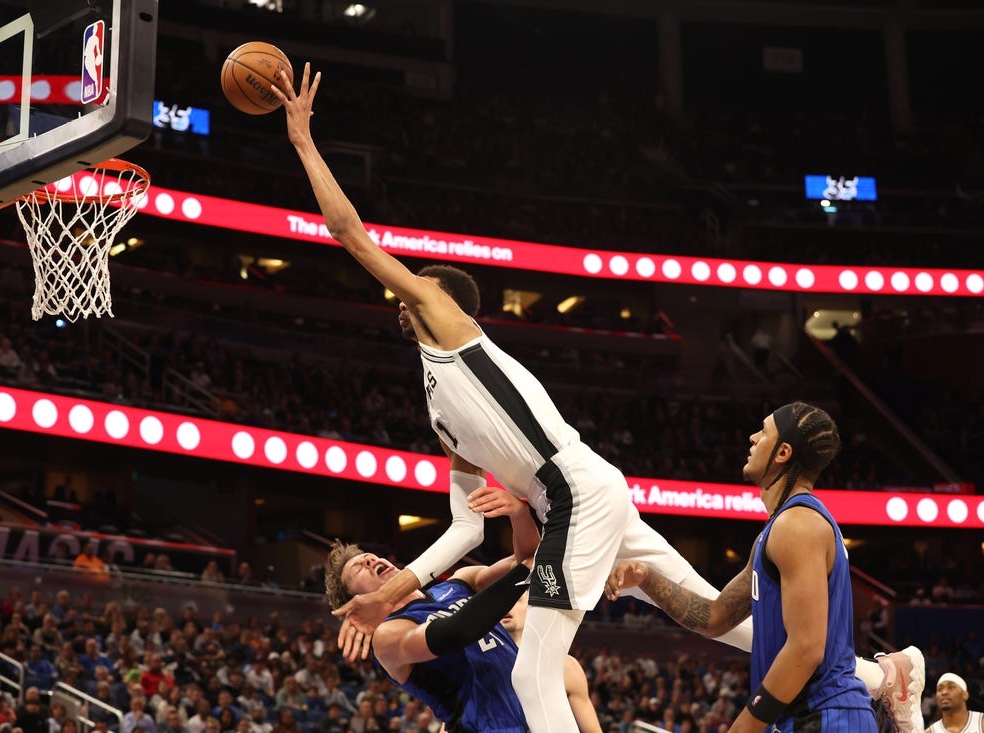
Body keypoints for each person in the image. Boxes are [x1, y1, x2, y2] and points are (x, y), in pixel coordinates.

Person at [273, 65, 925, 733]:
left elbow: (349, 233)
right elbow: (467, 528)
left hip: (574, 491)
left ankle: (881, 677)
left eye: (419, 282)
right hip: (578, 495)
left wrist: (301, 140)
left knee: (534, 669)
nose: (410, 286)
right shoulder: (442, 413)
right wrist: (390, 589)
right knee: (701, 608)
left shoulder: (447, 322)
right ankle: (884, 675)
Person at [606, 402, 879, 733]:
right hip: (808, 718)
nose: (752, 438)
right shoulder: (780, 527)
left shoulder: (797, 526)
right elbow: (715, 617)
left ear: (783, 452)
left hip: (826, 718)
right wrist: (647, 578)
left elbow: (806, 648)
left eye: (763, 432)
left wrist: (745, 726)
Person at [323, 481, 539, 733]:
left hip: (534, 719)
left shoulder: (459, 582)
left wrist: (519, 513)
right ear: (357, 602)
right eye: (358, 568)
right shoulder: (387, 636)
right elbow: (458, 632)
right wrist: (525, 571)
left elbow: (527, 555)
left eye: (370, 556)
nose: (370, 560)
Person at [499, 592, 602, 733]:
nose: (506, 606)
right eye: (501, 601)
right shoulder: (479, 661)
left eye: (516, 600)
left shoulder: (567, 667)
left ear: (532, 606)